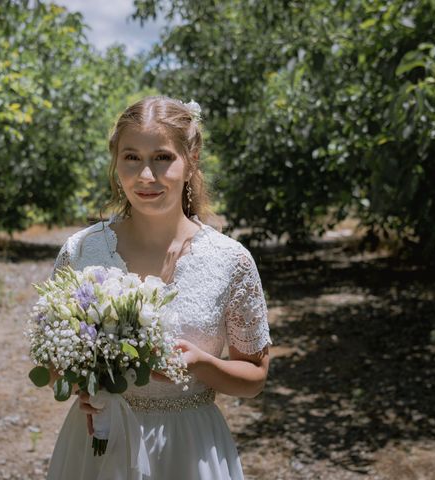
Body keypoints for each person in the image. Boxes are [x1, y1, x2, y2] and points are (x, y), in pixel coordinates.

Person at [44, 95, 273, 479]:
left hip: (189, 447)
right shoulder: (81, 250)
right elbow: (50, 365)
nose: (146, 176)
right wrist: (85, 386)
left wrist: (202, 364)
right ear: (116, 162)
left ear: (191, 159)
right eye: (131, 157)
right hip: (99, 446)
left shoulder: (230, 260)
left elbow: (255, 378)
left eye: (162, 157)